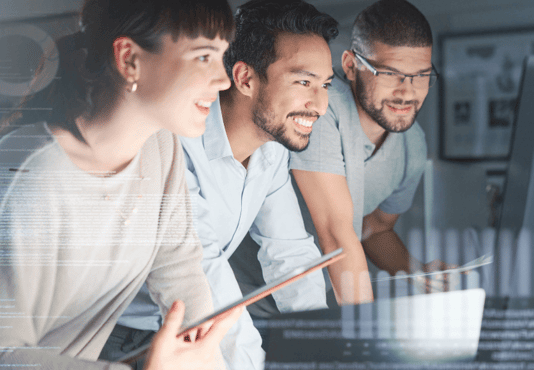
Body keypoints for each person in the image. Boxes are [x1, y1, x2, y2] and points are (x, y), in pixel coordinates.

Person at [0, 0, 242, 369]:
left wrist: (204, 351)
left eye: (223, 57)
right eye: (204, 57)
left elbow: (177, 265)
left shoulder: (161, 145)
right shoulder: (29, 178)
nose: (224, 80)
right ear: (129, 59)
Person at [104, 1, 338, 368]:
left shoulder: (271, 153)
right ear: (245, 78)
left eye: (324, 85)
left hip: (194, 332)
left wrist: (320, 346)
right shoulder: (175, 143)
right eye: (304, 82)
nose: (320, 105)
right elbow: (202, 268)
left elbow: (290, 254)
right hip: (119, 338)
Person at [291, 0, 450, 305]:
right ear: (350, 66)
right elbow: (336, 234)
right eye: (390, 74)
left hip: (314, 300)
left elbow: (374, 230)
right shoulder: (323, 108)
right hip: (251, 297)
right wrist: (366, 332)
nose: (407, 91)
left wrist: (414, 270)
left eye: (421, 75)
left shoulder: (412, 143)